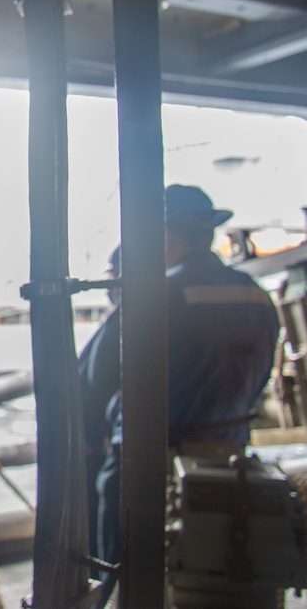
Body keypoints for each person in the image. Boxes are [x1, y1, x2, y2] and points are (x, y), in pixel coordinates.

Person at [94, 184, 280, 575]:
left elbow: (97, 377)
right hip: (230, 461)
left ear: (164, 237)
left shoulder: (156, 295)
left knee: (124, 569)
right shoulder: (258, 296)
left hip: (150, 463)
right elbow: (260, 379)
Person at [76, 245, 121, 562]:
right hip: (97, 444)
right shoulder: (119, 320)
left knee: (106, 541)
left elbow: (102, 377)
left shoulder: (128, 316)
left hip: (104, 446)